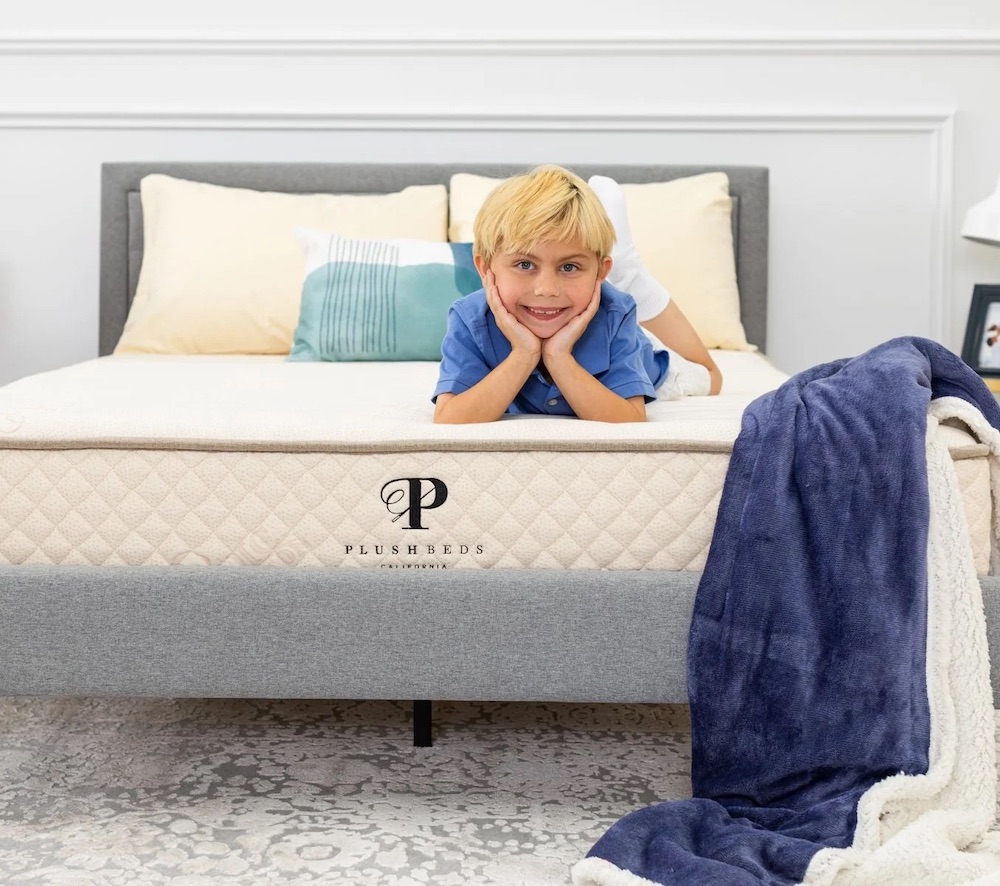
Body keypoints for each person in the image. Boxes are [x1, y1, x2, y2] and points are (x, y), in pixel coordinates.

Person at [432, 165, 721, 424]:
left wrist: (559, 358)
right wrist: (524, 354)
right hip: (584, 298)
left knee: (712, 378)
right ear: (485, 269)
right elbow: (449, 417)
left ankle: (628, 271)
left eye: (569, 266)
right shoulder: (470, 318)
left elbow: (630, 417)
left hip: (650, 360)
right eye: (524, 264)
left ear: (599, 272)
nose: (546, 289)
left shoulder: (616, 313)